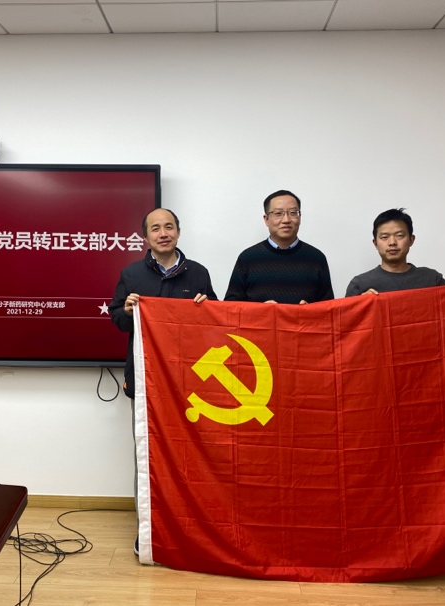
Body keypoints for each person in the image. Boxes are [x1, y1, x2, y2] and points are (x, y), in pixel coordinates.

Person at [110, 207, 217, 556]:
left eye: (169, 227)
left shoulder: (198, 273)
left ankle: (190, 526)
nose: (163, 233)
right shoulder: (131, 274)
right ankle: (149, 530)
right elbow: (117, 319)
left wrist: (207, 307)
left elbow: (216, 324)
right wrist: (127, 311)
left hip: (189, 382)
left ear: (178, 232)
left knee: (190, 453)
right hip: (145, 380)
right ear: (146, 237)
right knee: (148, 454)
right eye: (155, 228)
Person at [224, 190, 334, 304]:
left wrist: (310, 311)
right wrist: (258, 311)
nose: (286, 220)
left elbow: (329, 308)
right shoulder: (248, 258)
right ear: (266, 219)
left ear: (300, 217)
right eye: (278, 213)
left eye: (293, 213)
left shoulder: (316, 258)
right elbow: (230, 306)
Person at [345, 208, 445, 296]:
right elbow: (348, 314)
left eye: (399, 236)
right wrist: (361, 303)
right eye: (385, 237)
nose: (392, 242)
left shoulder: (432, 279)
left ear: (411, 240)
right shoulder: (359, 284)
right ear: (375, 243)